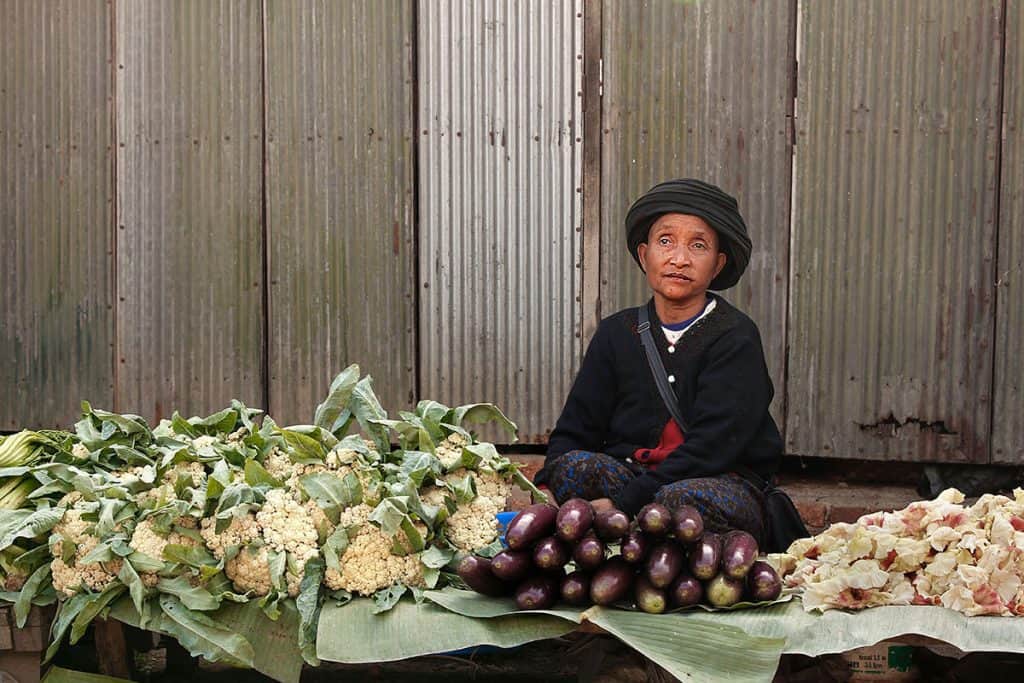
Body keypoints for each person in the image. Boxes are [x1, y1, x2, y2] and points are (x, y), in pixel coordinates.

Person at [534, 178, 782, 545]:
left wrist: (624, 503)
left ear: (717, 265)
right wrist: (545, 486)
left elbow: (711, 450)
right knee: (575, 467)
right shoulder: (617, 333)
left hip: (715, 481)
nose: (679, 259)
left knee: (677, 503)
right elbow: (574, 430)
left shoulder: (735, 337)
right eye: (666, 242)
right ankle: (627, 539)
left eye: (698, 246)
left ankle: (627, 537)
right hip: (632, 476)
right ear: (643, 254)